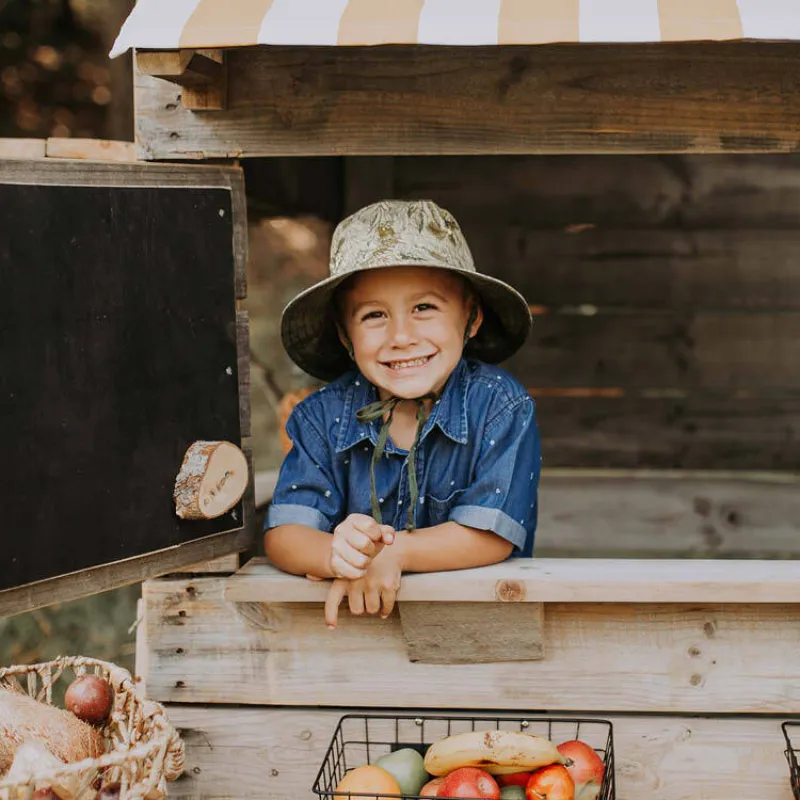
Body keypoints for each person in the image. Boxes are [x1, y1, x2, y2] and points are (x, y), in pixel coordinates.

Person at [263, 199, 540, 628]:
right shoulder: (319, 416)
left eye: (424, 308)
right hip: (349, 643)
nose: (402, 336)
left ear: (472, 318)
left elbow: (492, 536)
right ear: (344, 335)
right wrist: (340, 555)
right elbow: (284, 534)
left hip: (479, 632)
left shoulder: (501, 407)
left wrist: (395, 553)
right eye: (374, 315)